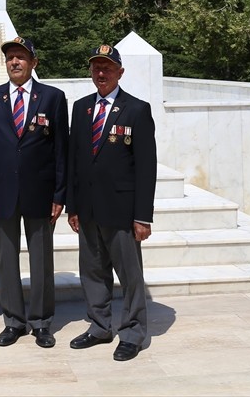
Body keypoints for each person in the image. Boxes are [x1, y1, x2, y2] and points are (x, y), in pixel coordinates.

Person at [66, 44, 157, 362]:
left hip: (122, 211)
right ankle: (100, 326)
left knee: (130, 276)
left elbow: (147, 168)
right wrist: (72, 205)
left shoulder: (136, 109)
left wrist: (142, 216)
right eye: (96, 68)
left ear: (120, 72)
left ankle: (132, 333)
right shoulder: (80, 108)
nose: (101, 73)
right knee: (92, 272)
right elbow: (73, 160)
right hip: (88, 210)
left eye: (107, 67)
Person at [0, 36, 68, 348]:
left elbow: (60, 151)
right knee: (7, 259)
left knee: (41, 260)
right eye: (10, 58)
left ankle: (41, 322)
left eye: (21, 57)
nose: (14, 62)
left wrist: (59, 195)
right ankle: (13, 321)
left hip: (41, 193)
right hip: (1, 192)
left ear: (34, 63)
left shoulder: (53, 98)